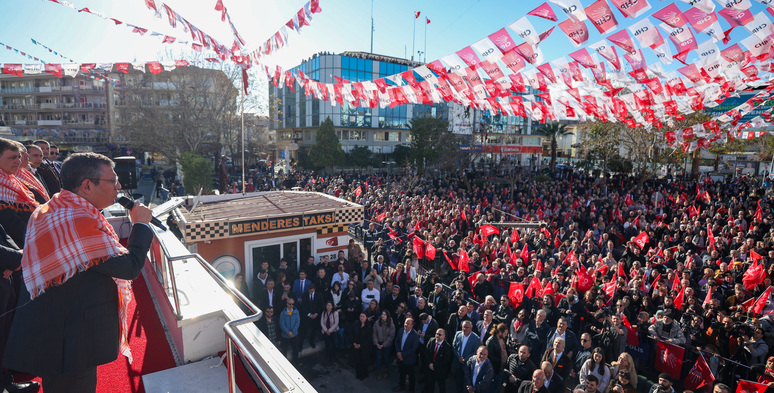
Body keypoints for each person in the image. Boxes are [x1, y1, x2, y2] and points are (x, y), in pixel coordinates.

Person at [3, 152, 153, 393]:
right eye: (112, 181)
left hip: (55, 329)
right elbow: (129, 267)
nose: (119, 186)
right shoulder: (78, 221)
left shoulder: (54, 208)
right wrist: (141, 225)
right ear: (87, 186)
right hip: (70, 339)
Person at [453, 321, 481, 393]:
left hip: (467, 365)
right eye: (463, 327)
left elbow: (475, 352)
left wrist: (465, 359)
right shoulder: (458, 334)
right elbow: (454, 346)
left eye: (467, 327)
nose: (465, 329)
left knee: (467, 383)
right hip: (458, 362)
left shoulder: (476, 338)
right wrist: (459, 357)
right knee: (458, 381)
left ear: (471, 328)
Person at [394, 317, 420, 393]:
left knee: (411, 375)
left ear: (412, 325)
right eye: (405, 323)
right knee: (401, 373)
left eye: (408, 324)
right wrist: (398, 353)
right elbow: (397, 342)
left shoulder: (415, 335)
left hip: (409, 359)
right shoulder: (401, 330)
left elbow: (413, 348)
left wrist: (402, 354)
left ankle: (411, 390)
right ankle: (401, 385)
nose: (406, 325)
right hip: (400, 357)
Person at [425, 328, 453, 393]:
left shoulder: (447, 347)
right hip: (430, 368)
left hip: (440, 370)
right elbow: (426, 353)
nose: (437, 336)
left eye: (440, 334)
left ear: (444, 336)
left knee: (441, 386)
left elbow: (446, 361)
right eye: (436, 334)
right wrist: (429, 363)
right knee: (429, 385)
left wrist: (434, 365)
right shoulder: (431, 341)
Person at [373, 310, 395, 380]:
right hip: (378, 343)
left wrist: (383, 345)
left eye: (385, 314)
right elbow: (374, 334)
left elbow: (391, 337)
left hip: (387, 345)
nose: (383, 315)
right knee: (378, 359)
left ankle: (386, 370)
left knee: (386, 358)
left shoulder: (392, 325)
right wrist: (376, 343)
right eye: (382, 314)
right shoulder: (377, 323)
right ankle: (378, 371)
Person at [352, 313, 373, 380]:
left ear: (366, 318)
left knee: (364, 361)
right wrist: (354, 343)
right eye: (360, 316)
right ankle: (358, 374)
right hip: (356, 346)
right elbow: (352, 333)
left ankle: (364, 374)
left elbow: (369, 338)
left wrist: (361, 345)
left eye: (363, 316)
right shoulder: (356, 324)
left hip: (364, 347)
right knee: (357, 360)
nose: (361, 318)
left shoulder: (369, 326)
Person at [280, 299, 300, 363]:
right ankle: (284, 363)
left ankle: (296, 362)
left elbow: (297, 322)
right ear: (287, 304)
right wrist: (288, 332)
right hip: (285, 335)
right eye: (290, 304)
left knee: (295, 349)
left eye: (293, 304)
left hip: (294, 334)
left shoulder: (296, 312)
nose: (291, 305)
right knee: (284, 350)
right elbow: (282, 324)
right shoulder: (282, 313)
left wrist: (293, 331)